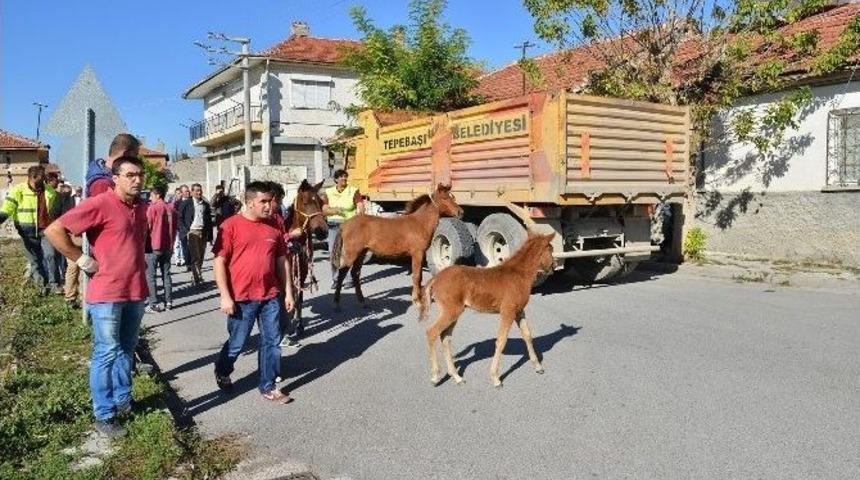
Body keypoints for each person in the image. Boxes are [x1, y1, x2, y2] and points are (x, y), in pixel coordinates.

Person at [44, 156, 149, 438]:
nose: (137, 179)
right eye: (130, 175)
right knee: (106, 352)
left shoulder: (141, 207)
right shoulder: (101, 203)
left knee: (128, 349)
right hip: (107, 294)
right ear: (115, 178)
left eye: (140, 174)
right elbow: (54, 230)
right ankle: (104, 415)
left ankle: (124, 401)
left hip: (135, 291)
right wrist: (80, 259)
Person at [212, 181, 295, 403]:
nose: (269, 206)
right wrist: (225, 296)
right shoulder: (230, 226)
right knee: (237, 343)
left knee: (272, 342)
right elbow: (219, 261)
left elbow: (281, 262)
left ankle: (269, 386)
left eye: (271, 201)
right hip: (241, 298)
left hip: (270, 296)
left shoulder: (274, 228)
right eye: (263, 202)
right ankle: (222, 369)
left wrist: (288, 292)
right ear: (250, 203)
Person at [0, 165, 61, 294]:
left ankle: (54, 284)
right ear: (31, 177)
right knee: (35, 260)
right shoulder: (18, 190)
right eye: (39, 179)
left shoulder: (50, 191)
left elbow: (55, 210)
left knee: (51, 255)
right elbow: (7, 209)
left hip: (46, 230)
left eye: (43, 179)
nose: (42, 182)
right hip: (26, 231)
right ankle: (41, 287)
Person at [321, 169, 364, 288]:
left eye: (345, 177)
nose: (344, 179)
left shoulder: (353, 191)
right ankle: (336, 279)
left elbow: (360, 203)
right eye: (341, 177)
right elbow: (324, 208)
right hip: (334, 226)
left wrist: (361, 211)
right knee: (333, 253)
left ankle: (350, 279)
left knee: (349, 253)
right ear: (336, 179)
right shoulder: (328, 192)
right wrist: (333, 211)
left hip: (350, 227)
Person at [144, 185, 177, 313]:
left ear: (158, 195)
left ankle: (153, 303)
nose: (150, 198)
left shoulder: (153, 208)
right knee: (166, 274)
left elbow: (147, 227)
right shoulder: (171, 209)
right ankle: (169, 301)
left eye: (151, 195)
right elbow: (175, 229)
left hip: (153, 246)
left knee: (151, 276)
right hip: (168, 246)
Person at [178, 183, 212, 286]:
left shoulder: (205, 204)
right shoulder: (186, 203)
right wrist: (185, 230)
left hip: (203, 231)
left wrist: (210, 236)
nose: (199, 192)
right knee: (195, 256)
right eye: (196, 190)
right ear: (192, 192)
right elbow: (180, 218)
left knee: (201, 256)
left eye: (200, 190)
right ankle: (198, 278)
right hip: (192, 232)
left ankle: (195, 276)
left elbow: (209, 221)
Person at [56, 182, 82, 308]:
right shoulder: (65, 198)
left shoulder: (91, 197)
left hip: (88, 238)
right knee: (72, 267)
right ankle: (70, 297)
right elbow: (57, 217)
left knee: (86, 269)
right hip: (71, 238)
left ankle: (84, 298)